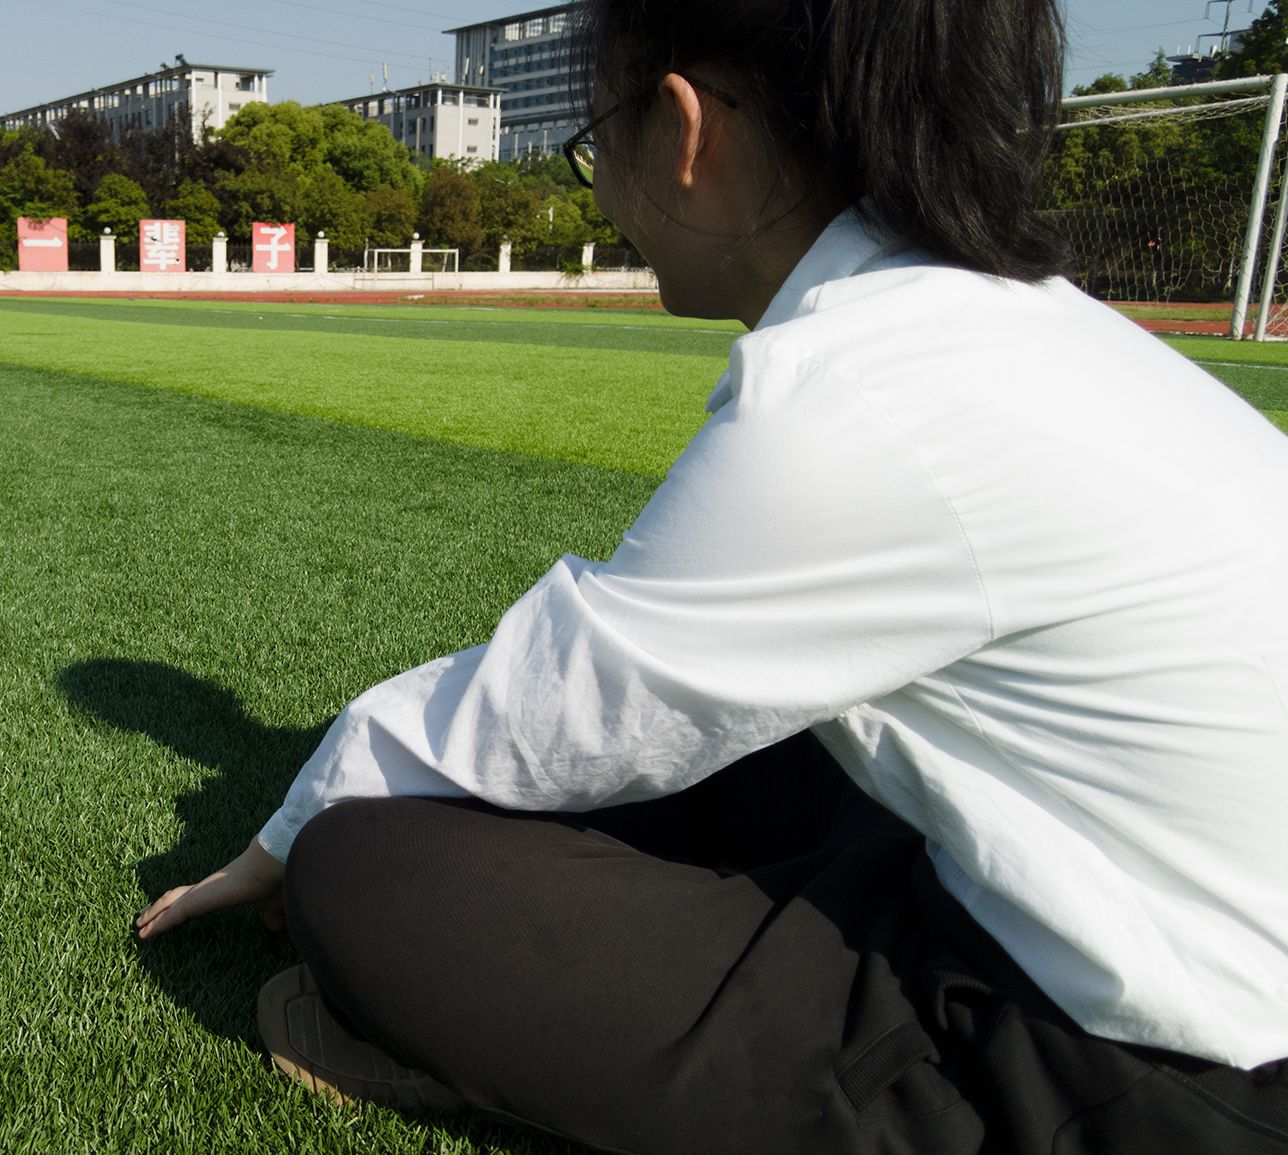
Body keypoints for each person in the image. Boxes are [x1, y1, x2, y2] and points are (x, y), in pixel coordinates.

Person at [134, 0, 1288, 1150]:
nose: (599, 192)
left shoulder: (855, 395)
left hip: (1166, 1071)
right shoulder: (1031, 328)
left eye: (596, 143)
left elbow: (528, 716)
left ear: (686, 132)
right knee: (769, 747)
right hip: (1149, 926)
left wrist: (285, 841)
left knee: (367, 872)